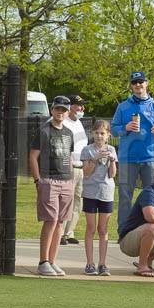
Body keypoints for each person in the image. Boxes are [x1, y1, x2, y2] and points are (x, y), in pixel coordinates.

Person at [111, 71, 154, 234]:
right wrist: (124, 128)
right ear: (131, 86)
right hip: (127, 159)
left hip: (151, 159)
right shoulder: (123, 107)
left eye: (141, 82)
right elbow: (113, 129)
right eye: (134, 83)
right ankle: (124, 231)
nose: (138, 85)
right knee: (125, 197)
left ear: (147, 84)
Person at [29, 96, 75, 276]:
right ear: (52, 109)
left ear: (67, 111)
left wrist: (70, 179)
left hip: (66, 181)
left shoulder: (69, 133)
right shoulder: (44, 131)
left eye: (64, 110)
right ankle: (43, 261)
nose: (60, 112)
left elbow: (69, 158)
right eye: (58, 109)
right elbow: (33, 156)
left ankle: (53, 261)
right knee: (51, 220)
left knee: (61, 222)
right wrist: (37, 180)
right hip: (48, 179)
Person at [79, 119, 117, 275]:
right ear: (92, 134)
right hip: (90, 192)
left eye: (103, 133)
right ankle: (89, 263)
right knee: (90, 228)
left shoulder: (112, 149)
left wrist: (112, 161)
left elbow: (112, 174)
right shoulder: (87, 150)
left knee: (103, 229)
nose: (100, 136)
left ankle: (102, 263)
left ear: (108, 135)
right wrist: (95, 158)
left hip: (106, 192)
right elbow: (86, 173)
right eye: (97, 133)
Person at [59, 96, 88, 245]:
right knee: (65, 200)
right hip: (68, 167)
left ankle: (69, 232)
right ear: (70, 107)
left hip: (81, 168)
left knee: (78, 201)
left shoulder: (79, 124)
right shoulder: (64, 123)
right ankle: (60, 233)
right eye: (78, 106)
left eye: (82, 106)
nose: (81, 109)